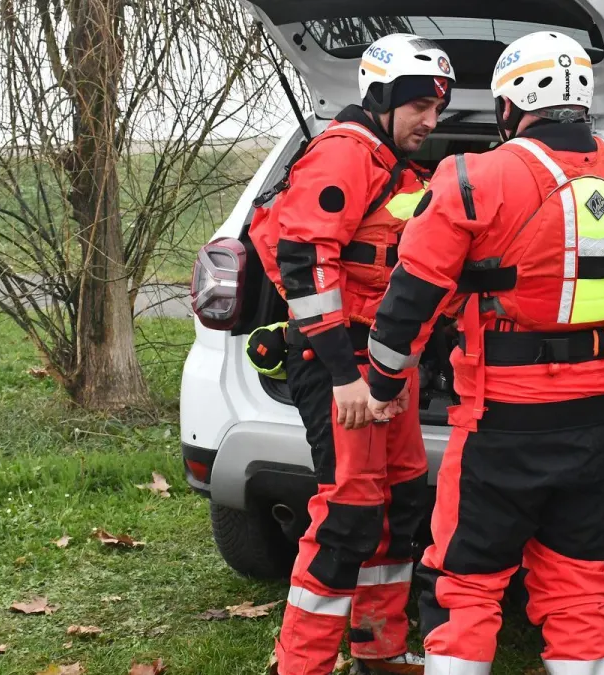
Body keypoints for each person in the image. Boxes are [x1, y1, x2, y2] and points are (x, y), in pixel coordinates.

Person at [363, 31, 604, 675]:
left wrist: (381, 386)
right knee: (577, 577)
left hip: (498, 427)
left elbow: (409, 302)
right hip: (603, 422)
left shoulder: (471, 176)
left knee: (465, 581)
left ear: (511, 105)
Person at [247, 32, 456, 675]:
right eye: (421, 104)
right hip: (343, 367)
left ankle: (379, 648)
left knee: (397, 508)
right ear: (385, 99)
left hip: (389, 367)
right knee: (347, 514)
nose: (432, 119)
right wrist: (343, 375)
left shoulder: (395, 164)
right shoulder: (344, 155)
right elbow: (304, 262)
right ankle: (300, 665)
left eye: (439, 106)